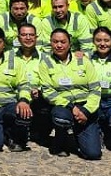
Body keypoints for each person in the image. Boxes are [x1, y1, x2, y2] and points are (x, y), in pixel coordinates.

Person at [37, 29, 101, 159]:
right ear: (51, 43)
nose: (59, 45)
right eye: (55, 42)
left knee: (93, 154)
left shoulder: (83, 60)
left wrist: (86, 110)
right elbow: (48, 91)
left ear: (70, 44)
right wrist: (71, 106)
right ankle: (61, 140)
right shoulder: (45, 63)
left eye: (63, 42)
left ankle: (81, 135)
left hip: (85, 107)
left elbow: (95, 89)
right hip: (64, 107)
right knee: (61, 118)